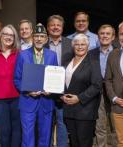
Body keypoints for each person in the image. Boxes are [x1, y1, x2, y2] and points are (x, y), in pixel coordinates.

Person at [14, 23, 58, 147]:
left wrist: (52, 90)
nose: (39, 39)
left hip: (46, 102)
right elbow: (17, 79)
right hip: (28, 101)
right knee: (27, 136)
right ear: (33, 38)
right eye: (36, 36)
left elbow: (56, 77)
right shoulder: (22, 55)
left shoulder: (52, 55)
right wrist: (28, 91)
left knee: (45, 136)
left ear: (46, 39)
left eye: (41, 36)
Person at [61, 33, 102, 147]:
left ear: (88, 46)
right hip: (69, 110)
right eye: (77, 44)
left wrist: (79, 98)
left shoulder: (93, 62)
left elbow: (97, 86)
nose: (80, 47)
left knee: (84, 143)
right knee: (73, 143)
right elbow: (61, 82)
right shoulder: (67, 61)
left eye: (83, 44)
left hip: (85, 112)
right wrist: (60, 95)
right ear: (73, 46)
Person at [45, 14, 73, 147]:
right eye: (52, 25)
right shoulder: (41, 44)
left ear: (62, 27)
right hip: (46, 92)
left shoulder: (70, 43)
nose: (55, 27)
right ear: (48, 27)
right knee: (47, 124)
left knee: (63, 124)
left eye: (58, 25)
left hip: (64, 91)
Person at [88, 24, 116, 147]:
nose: (104, 36)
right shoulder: (90, 54)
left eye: (107, 33)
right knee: (100, 127)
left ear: (113, 36)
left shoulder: (118, 53)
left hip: (115, 94)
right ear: (98, 36)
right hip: (97, 94)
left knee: (115, 127)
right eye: (102, 33)